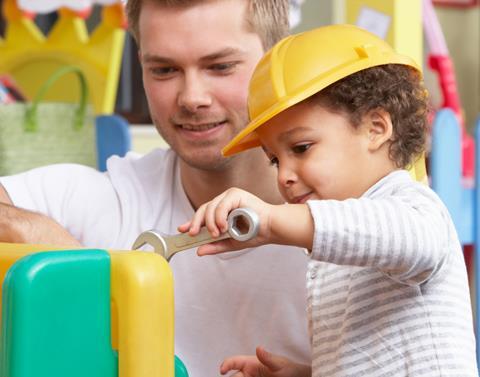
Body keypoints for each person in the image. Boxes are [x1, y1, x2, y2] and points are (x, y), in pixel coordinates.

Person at [0, 1, 311, 375]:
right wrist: (38, 235)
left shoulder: (361, 220)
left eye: (220, 66)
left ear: (277, 63)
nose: (192, 97)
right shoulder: (113, 195)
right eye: (164, 70)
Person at [181, 24, 478, 376]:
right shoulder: (335, 259)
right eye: (275, 159)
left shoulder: (415, 208)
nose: (283, 175)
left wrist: (272, 221)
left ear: (376, 129)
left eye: (301, 148)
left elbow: (405, 239)